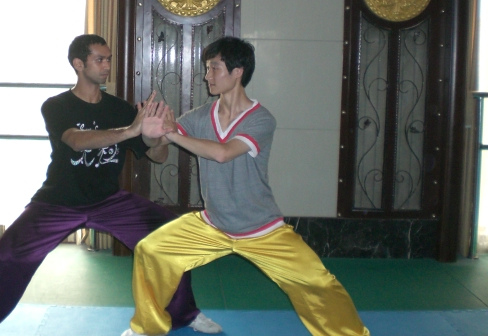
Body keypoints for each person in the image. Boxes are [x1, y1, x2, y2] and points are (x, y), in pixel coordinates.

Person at [0, 34, 221, 336]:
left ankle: (184, 314)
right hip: (58, 201)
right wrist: (131, 130)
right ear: (78, 64)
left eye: (109, 59)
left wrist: (158, 136)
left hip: (109, 201)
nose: (106, 66)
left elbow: (156, 156)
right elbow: (76, 141)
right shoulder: (57, 105)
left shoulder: (121, 109)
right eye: (99, 59)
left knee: (169, 236)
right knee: (7, 257)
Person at [122, 36, 370, 336]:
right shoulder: (201, 116)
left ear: (237, 71)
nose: (207, 75)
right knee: (152, 251)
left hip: (262, 229)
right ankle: (147, 328)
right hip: (213, 224)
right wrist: (151, 134)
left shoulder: (261, 119)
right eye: (207, 68)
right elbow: (159, 153)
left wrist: (171, 134)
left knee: (318, 283)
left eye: (214, 67)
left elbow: (223, 153)